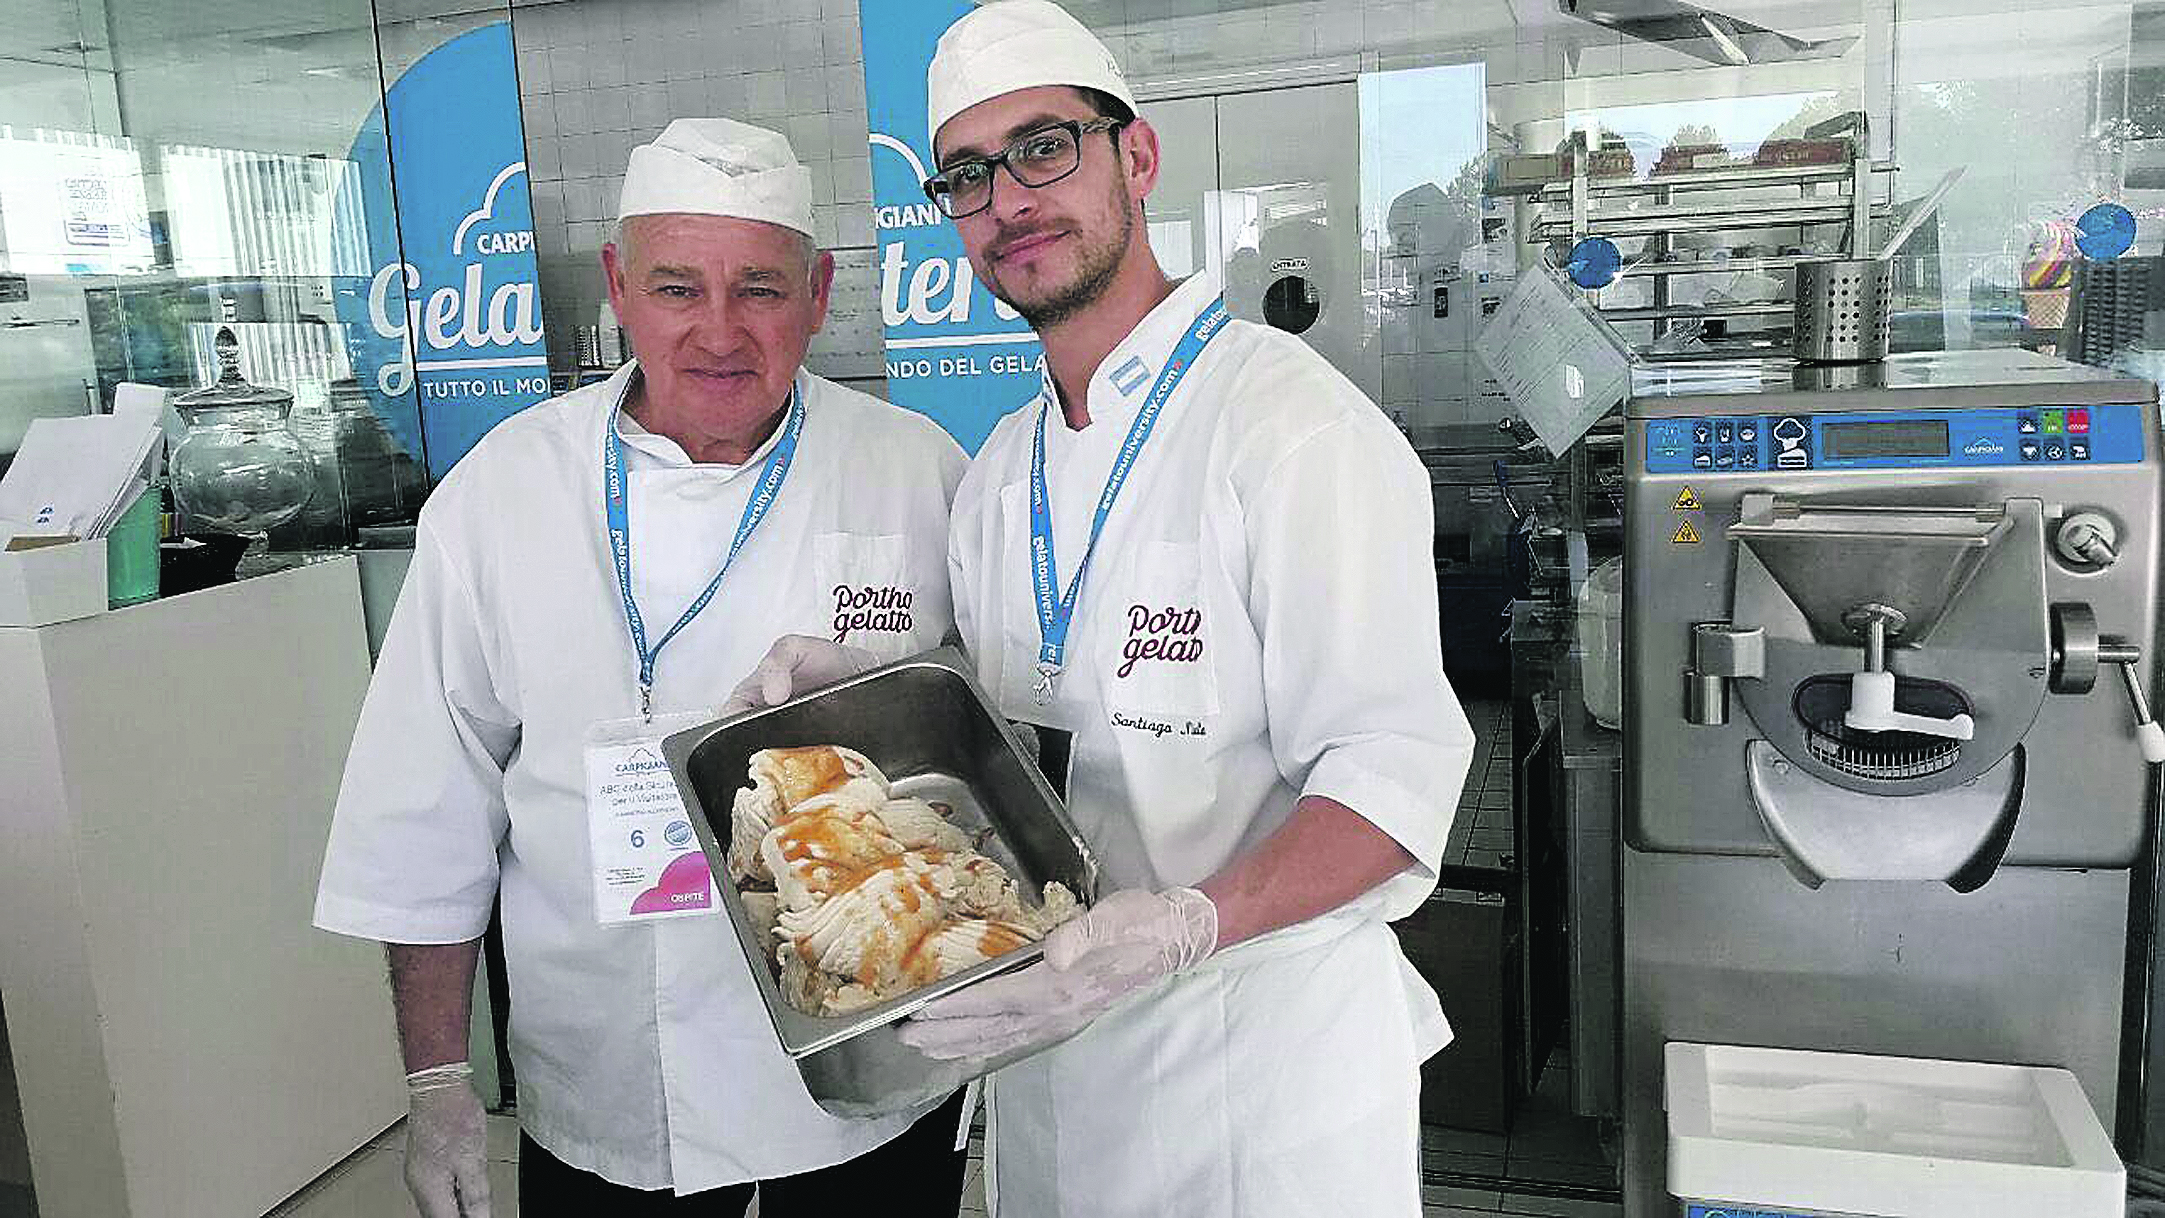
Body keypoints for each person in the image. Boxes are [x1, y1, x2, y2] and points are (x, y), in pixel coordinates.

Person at [732, 3, 1476, 1214]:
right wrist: (870, 685)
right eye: (966, 176)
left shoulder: (1292, 433)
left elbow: (1390, 788)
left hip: (1256, 1082)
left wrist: (1182, 924)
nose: (1008, 201)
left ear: (1135, 157)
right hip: (1051, 1076)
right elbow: (1017, 712)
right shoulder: (1002, 471)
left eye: (1043, 147)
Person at [313, 118, 970, 1218]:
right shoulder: (502, 492)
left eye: (759, 288)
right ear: (618, 287)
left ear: (818, 295)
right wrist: (436, 1083)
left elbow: (987, 742)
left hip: (869, 1042)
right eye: (676, 288)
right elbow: (426, 806)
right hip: (606, 1070)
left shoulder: (915, 470)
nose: (719, 332)